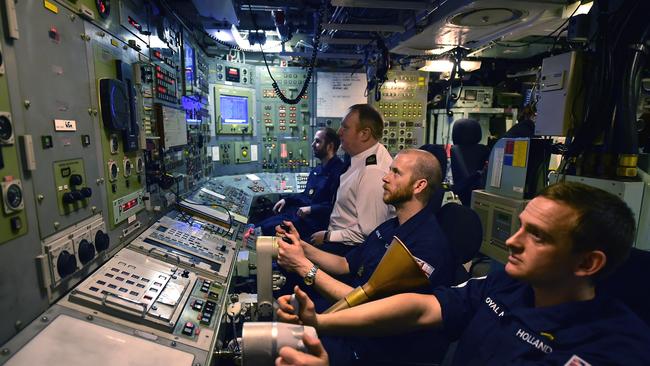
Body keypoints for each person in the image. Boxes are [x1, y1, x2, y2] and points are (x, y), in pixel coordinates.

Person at [277, 182, 650, 365]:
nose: (512, 243)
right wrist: (324, 322)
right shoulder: (507, 282)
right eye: (520, 226)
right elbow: (423, 308)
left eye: (537, 236)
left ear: (587, 264)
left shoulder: (612, 350)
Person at [276, 149, 455, 365]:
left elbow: (373, 307)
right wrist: (302, 247)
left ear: (419, 186)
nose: (385, 177)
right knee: (284, 322)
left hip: (377, 347)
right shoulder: (391, 226)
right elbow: (345, 264)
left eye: (396, 173)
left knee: (283, 348)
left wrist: (303, 266)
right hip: (354, 321)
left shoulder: (427, 245)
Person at [310, 104, 394, 255]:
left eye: (345, 128)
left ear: (364, 134)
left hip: (349, 249)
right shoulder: (362, 157)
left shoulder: (373, 173)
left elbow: (370, 231)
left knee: (290, 262)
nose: (339, 132)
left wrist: (328, 236)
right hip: (338, 235)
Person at [256, 128, 345, 237]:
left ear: (330, 146)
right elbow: (305, 196)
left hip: (315, 222)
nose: (312, 145)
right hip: (301, 214)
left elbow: (337, 206)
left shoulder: (340, 172)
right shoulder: (316, 170)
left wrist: (311, 209)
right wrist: (286, 200)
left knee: (267, 228)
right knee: (262, 219)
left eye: (317, 141)